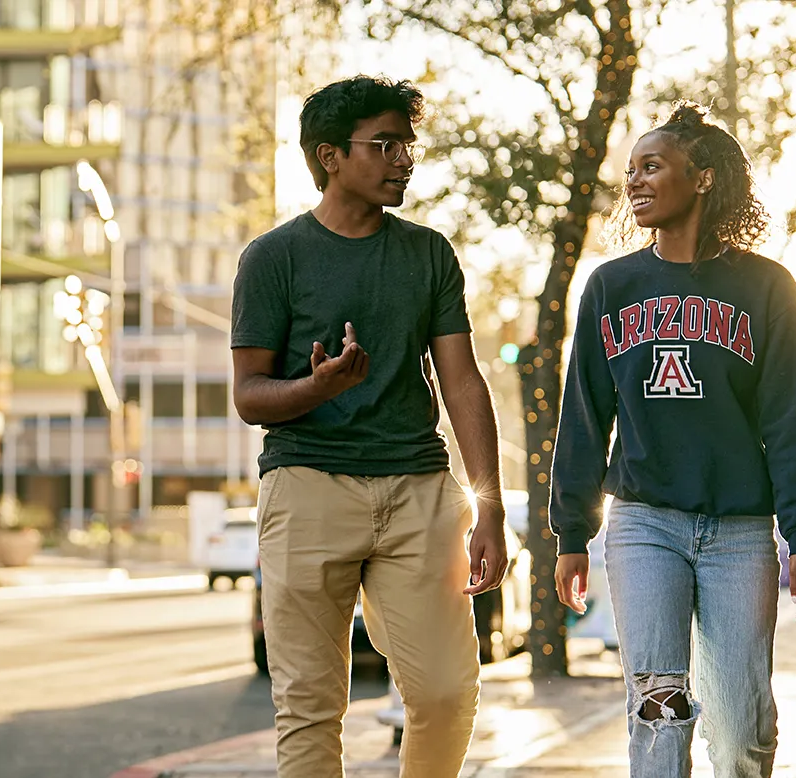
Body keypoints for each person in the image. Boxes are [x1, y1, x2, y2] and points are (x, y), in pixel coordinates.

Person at [231, 75, 508, 778]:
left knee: (446, 692)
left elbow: (463, 381)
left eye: (408, 144)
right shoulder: (273, 258)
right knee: (309, 705)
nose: (403, 159)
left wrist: (490, 507)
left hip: (416, 488)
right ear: (330, 155)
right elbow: (249, 395)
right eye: (384, 144)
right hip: (305, 485)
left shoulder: (427, 254)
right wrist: (315, 388)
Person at [552, 103, 796, 778]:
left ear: (703, 177)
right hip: (644, 525)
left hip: (739, 533)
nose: (635, 182)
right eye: (630, 171)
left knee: (741, 735)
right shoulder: (610, 287)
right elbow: (584, 417)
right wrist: (568, 537)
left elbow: (795, 421)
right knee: (659, 713)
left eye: (652, 166)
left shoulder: (767, 288)